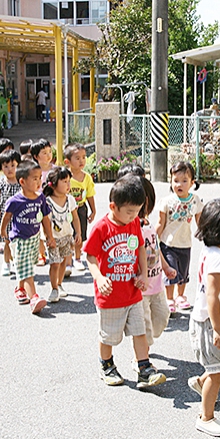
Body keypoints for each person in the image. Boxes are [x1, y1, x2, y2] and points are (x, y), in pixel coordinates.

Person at [83, 175, 166, 389]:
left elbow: (140, 247)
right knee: (109, 336)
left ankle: (144, 368)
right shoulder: (101, 227)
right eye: (129, 212)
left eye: (137, 211)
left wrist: (144, 274)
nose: (134, 216)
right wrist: (99, 277)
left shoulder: (133, 224)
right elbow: (90, 256)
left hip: (132, 293)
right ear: (113, 206)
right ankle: (107, 365)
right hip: (110, 296)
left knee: (140, 331)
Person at [187, 198, 220, 437]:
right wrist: (218, 329)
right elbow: (212, 295)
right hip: (210, 323)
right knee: (219, 372)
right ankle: (205, 417)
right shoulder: (218, 258)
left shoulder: (215, 252)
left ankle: (202, 382)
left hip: (219, 320)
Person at [0, 160, 56, 314]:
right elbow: (7, 216)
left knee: (26, 266)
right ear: (22, 182)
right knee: (27, 270)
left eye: (39, 178)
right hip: (19, 239)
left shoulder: (40, 198)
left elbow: (45, 218)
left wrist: (49, 236)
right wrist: (3, 229)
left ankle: (19, 288)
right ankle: (34, 298)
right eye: (35, 179)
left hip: (34, 238)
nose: (39, 181)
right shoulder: (15, 201)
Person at [134, 174, 176, 348]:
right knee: (144, 326)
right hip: (141, 288)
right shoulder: (131, 226)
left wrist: (166, 267)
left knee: (161, 317)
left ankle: (145, 346)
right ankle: (142, 358)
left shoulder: (147, 224)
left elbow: (155, 248)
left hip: (157, 283)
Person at [156, 161, 203, 314]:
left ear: (192, 183)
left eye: (184, 181)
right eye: (175, 181)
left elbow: (199, 220)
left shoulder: (195, 200)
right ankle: (169, 298)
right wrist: (152, 237)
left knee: (183, 272)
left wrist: (205, 232)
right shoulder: (166, 202)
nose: (179, 184)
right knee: (170, 271)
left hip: (185, 243)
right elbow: (160, 223)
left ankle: (180, 296)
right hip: (167, 243)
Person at [43, 167, 82, 302]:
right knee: (54, 263)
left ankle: (59, 285)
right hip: (53, 238)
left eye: (69, 181)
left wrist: (78, 232)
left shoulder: (70, 200)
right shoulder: (47, 201)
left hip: (66, 236)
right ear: (53, 184)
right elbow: (45, 221)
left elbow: (75, 217)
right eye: (64, 182)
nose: (68, 185)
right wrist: (49, 237)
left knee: (64, 260)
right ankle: (53, 289)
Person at [64, 143, 96, 272]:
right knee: (67, 235)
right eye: (77, 158)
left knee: (80, 235)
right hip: (66, 211)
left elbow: (90, 194)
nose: (81, 161)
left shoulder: (87, 177)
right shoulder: (64, 176)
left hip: (81, 209)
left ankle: (77, 258)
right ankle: (68, 261)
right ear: (68, 161)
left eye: (83, 157)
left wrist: (93, 210)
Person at [0, 149, 22, 276]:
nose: (10, 169)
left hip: (20, 217)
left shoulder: (22, 182)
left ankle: (18, 262)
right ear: (1, 167)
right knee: (8, 241)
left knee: (19, 243)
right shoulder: (1, 183)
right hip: (5, 217)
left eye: (13, 165)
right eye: (6, 166)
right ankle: (6, 263)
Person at [30, 138, 54, 266]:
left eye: (50, 152)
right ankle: (41, 254)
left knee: (54, 228)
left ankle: (55, 251)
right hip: (37, 204)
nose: (48, 155)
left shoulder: (55, 170)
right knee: (38, 230)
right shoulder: (33, 171)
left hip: (53, 205)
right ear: (36, 156)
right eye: (44, 153)